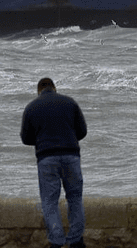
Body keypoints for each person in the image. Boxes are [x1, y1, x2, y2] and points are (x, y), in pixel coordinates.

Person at [20, 77, 89, 248]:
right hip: (71, 156)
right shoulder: (70, 103)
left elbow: (26, 138)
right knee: (74, 197)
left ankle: (56, 241)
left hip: (46, 158)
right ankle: (76, 240)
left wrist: (42, 140)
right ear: (54, 88)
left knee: (50, 201)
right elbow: (82, 131)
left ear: (38, 90)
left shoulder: (31, 107)